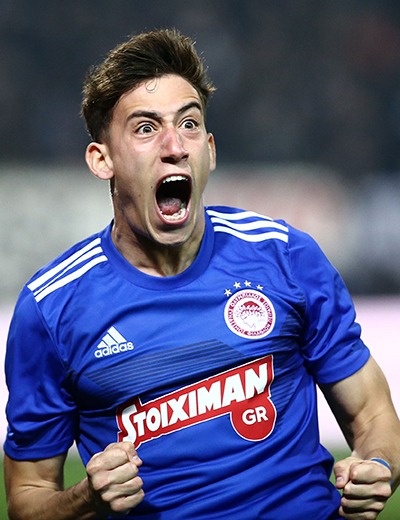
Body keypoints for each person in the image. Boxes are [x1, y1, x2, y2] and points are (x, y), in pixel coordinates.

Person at [3, 28, 400, 520]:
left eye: (189, 124)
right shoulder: (52, 309)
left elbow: (373, 413)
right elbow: (28, 495)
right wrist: (85, 499)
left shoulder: (284, 256)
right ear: (102, 160)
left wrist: (377, 466)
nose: (174, 146)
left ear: (209, 150)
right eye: (146, 129)